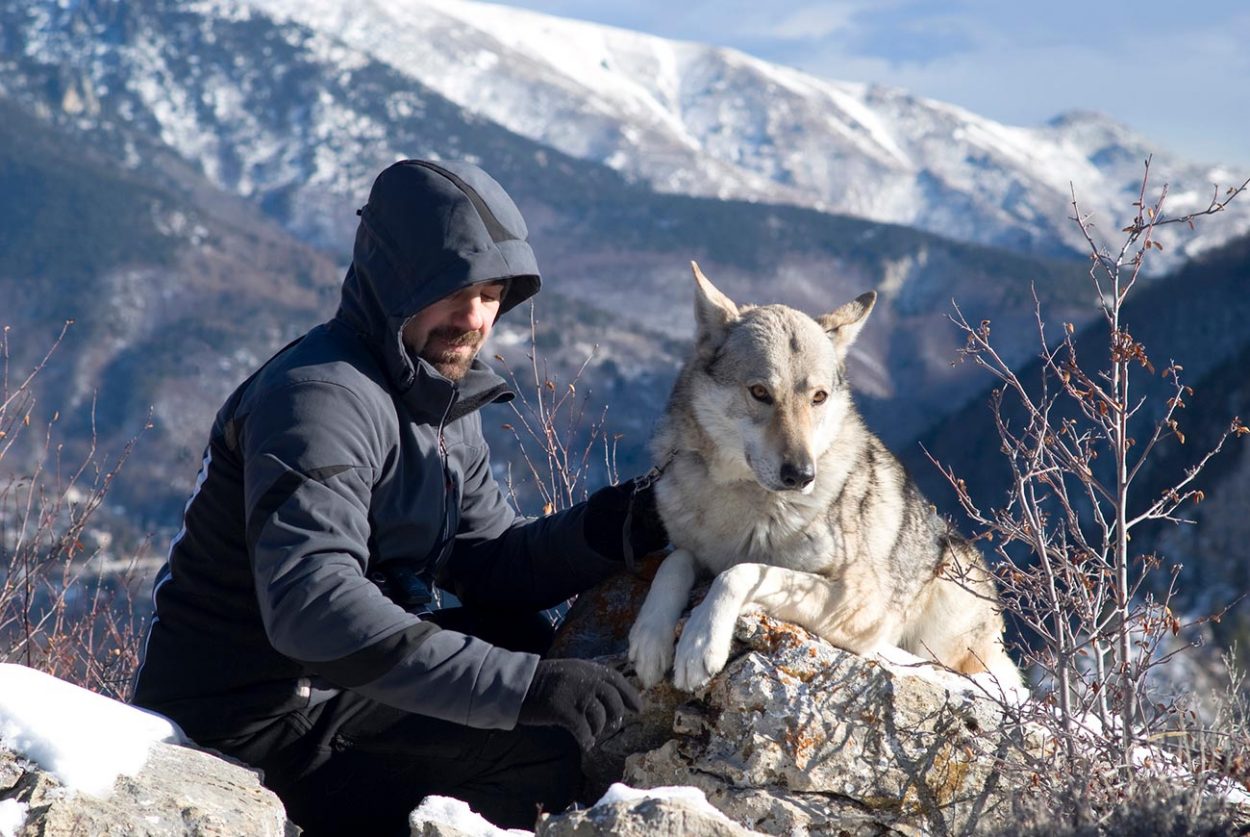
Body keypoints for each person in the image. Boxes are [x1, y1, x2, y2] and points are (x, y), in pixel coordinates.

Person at [131, 159, 668, 835]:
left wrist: (622, 522)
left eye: (493, 292)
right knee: (544, 733)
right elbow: (315, 608)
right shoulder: (319, 400)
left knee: (522, 638)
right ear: (395, 279)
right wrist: (525, 690)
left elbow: (488, 563)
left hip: (325, 699)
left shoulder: (431, 392)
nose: (474, 317)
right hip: (247, 732)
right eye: (453, 289)